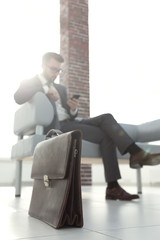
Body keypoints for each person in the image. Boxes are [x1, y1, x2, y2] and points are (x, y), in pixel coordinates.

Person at [14, 52, 160, 201]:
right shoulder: (31, 81)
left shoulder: (61, 89)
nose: (56, 73)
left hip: (72, 122)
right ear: (43, 65)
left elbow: (69, 115)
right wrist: (45, 90)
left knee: (107, 118)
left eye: (59, 70)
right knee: (106, 135)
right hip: (59, 127)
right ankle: (116, 183)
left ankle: (133, 156)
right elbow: (18, 97)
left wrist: (72, 109)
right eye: (53, 69)